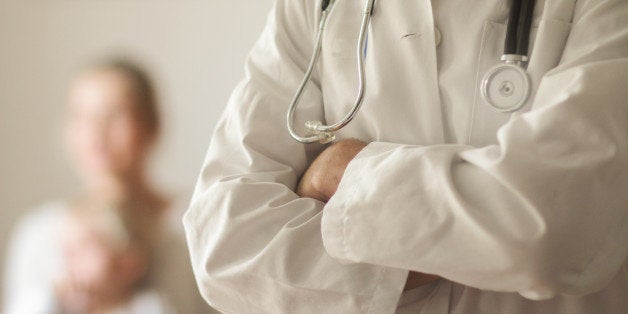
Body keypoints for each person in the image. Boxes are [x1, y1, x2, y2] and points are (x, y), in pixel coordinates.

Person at [184, 0, 627, 313]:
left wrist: (345, 173)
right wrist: (468, 238)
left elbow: (549, 229)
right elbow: (224, 245)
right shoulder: (313, 6)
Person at [3, 59, 210, 313]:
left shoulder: (196, 224)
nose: (95, 132)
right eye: (80, 115)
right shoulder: (39, 232)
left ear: (152, 125)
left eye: (114, 114)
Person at [56, 198, 172, 313]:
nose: (69, 257)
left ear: (128, 264)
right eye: (67, 250)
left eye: (82, 248)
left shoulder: (147, 307)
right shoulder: (66, 308)